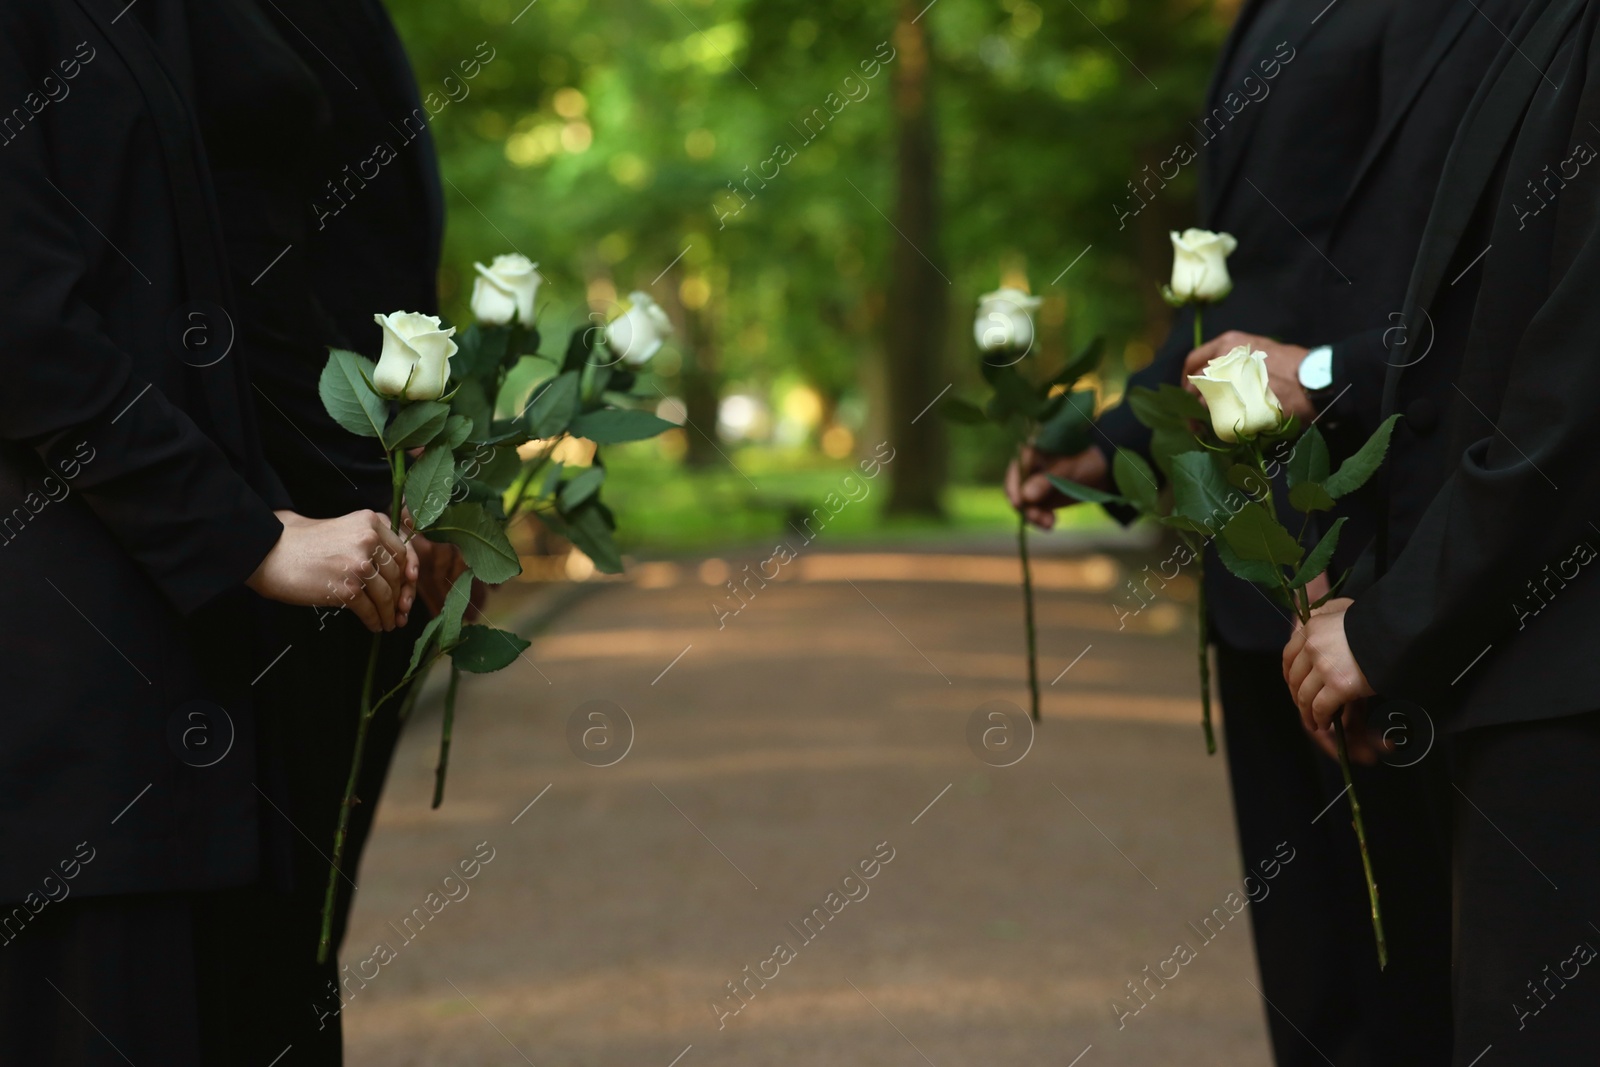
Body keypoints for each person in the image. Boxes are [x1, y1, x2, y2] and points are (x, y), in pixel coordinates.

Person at [1010, 1, 1520, 1060]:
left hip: (1380, 548)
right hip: (1252, 553)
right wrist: (1112, 443)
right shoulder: (1265, 15)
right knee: (1318, 977)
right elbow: (1236, 279)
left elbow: (1456, 271)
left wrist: (1339, 402)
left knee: (1427, 972)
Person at [0, 1, 417, 1063]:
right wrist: (243, 537)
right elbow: (24, 326)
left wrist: (388, 485)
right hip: (66, 687)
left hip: (193, 669)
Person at [1285, 0, 1600, 1060]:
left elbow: (1571, 397)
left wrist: (1397, 623)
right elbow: (1465, 342)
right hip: (1511, 654)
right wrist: (1394, 612)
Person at [176, 0, 463, 1062]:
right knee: (256, 949)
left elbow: (375, 242)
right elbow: (251, 271)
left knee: (299, 945)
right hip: (279, 515)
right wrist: (361, 490)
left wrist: (430, 457)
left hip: (364, 502)